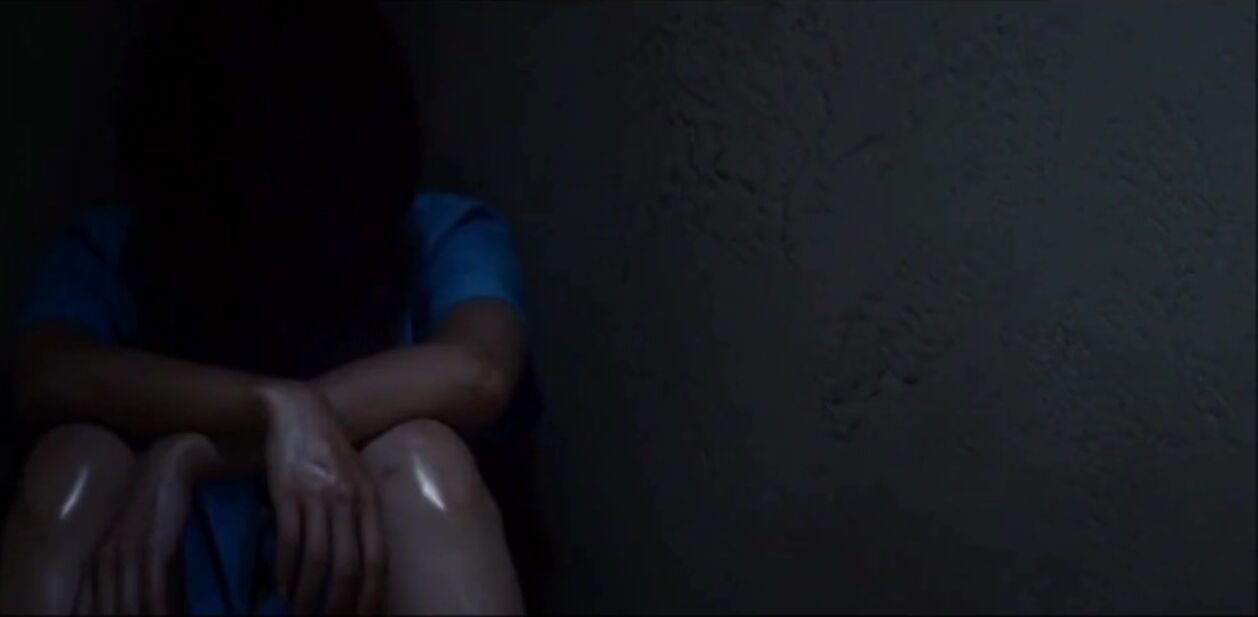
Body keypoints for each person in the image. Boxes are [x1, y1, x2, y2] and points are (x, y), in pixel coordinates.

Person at [0, 4, 532, 615]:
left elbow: (477, 371)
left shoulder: (440, 233)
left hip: (355, 559)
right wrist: (273, 405)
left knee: (421, 461)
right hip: (161, 558)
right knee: (74, 466)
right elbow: (46, 375)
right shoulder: (111, 250)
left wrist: (195, 454)